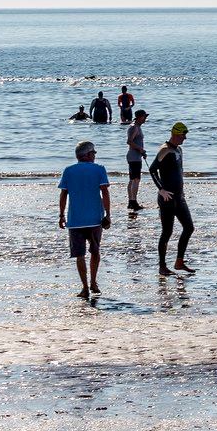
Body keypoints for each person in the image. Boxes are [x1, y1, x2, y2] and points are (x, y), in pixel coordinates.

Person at [58, 140, 112, 298]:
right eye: (94, 153)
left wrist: (61, 215)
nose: (95, 155)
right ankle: (93, 282)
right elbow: (105, 193)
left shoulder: (68, 170)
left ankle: (85, 287)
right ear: (88, 155)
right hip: (94, 218)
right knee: (95, 252)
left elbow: (63, 194)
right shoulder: (99, 169)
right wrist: (108, 214)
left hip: (75, 219)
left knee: (79, 255)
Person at [149, 122, 195, 274]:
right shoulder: (165, 150)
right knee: (167, 232)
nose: (185, 138)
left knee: (189, 227)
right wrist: (161, 190)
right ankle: (162, 266)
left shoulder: (179, 150)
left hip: (179, 197)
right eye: (183, 135)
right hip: (167, 198)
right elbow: (152, 170)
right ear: (176, 134)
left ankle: (179, 262)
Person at [124, 110, 149, 212]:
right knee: (136, 179)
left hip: (134, 156)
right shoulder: (135, 127)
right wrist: (140, 149)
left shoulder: (135, 126)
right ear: (139, 117)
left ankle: (131, 201)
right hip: (134, 157)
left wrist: (141, 151)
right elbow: (129, 141)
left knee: (132, 179)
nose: (145, 119)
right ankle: (133, 202)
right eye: (144, 117)